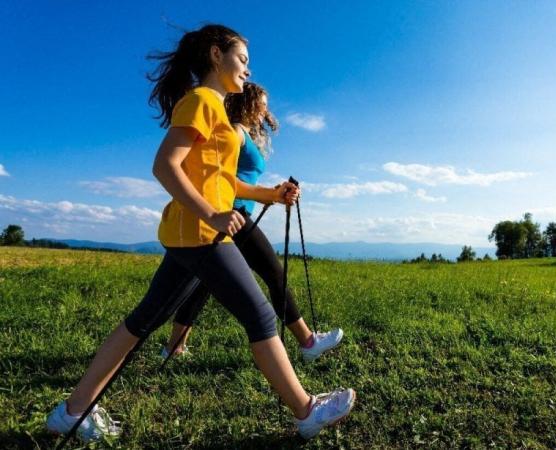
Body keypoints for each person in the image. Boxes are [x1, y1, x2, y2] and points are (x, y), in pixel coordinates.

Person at [46, 24, 355, 443]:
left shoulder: (217, 110)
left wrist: (272, 193)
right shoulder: (201, 102)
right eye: (242, 59)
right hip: (201, 234)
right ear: (216, 55)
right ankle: (306, 410)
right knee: (261, 316)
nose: (247, 70)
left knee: (141, 322)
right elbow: (165, 165)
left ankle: (71, 411)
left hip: (190, 235)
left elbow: (224, 179)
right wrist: (211, 213)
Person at [162, 81, 343, 363]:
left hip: (234, 212)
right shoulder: (234, 132)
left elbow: (243, 179)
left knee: (202, 284)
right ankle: (307, 341)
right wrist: (265, 195)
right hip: (232, 213)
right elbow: (222, 177)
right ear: (247, 102)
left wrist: (273, 193)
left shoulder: (243, 133)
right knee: (273, 273)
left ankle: (174, 347)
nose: (265, 111)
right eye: (261, 104)